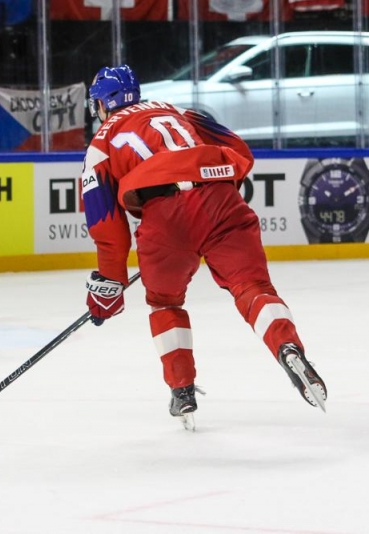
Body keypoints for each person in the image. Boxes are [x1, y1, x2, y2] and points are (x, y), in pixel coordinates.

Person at [80, 65, 327, 427]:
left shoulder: (101, 143)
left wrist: (111, 284)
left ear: (102, 104)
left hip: (164, 215)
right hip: (220, 198)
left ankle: (182, 390)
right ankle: (286, 346)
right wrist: (217, 191)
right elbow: (237, 148)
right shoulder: (177, 110)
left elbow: (106, 224)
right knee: (253, 287)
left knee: (165, 301)